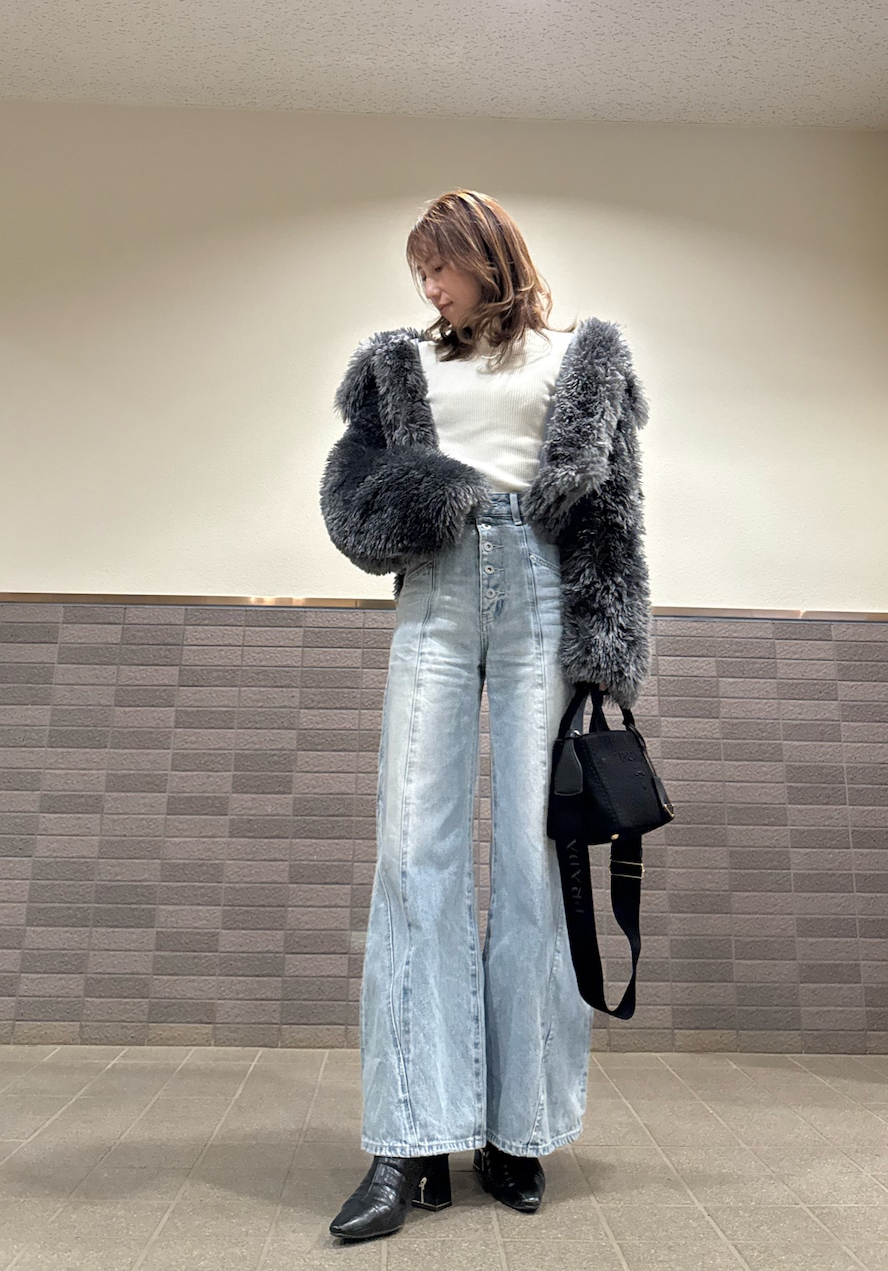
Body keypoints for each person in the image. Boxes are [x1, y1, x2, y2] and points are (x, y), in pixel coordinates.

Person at [318, 190, 652, 1241]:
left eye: (440, 267)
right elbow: (349, 500)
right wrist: (418, 500)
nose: (429, 288)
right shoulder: (399, 368)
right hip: (435, 592)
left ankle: (518, 1130)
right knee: (411, 855)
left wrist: (608, 650)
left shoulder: (579, 359)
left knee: (530, 858)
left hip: (542, 594)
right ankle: (408, 1138)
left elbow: (615, 514)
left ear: (487, 257)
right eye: (419, 272)